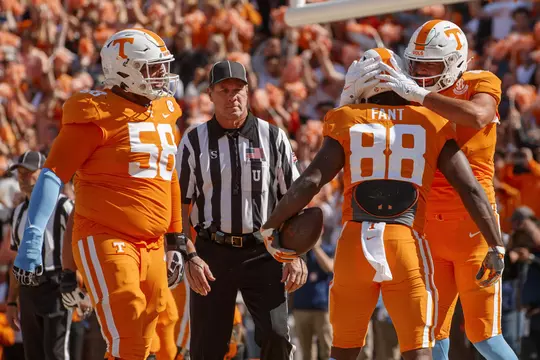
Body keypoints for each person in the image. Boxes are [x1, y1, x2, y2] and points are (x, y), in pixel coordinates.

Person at [259, 48, 505, 360]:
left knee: (343, 351)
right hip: (405, 242)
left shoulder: (346, 119)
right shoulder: (430, 121)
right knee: (418, 350)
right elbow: (470, 189)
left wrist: (271, 226)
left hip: (353, 245)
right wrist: (495, 244)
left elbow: (310, 182)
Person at [10, 28, 186, 360]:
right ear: (124, 70)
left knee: (163, 339)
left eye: (162, 66)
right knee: (129, 326)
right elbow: (51, 175)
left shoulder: (165, 110)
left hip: (152, 242)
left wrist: (176, 238)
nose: (161, 75)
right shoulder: (94, 111)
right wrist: (32, 237)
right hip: (105, 235)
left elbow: (168, 175)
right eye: (152, 67)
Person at [373, 20, 517, 360]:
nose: (420, 72)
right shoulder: (407, 91)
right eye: (416, 63)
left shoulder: (480, 82)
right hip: (426, 229)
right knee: (432, 333)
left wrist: (419, 96)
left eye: (430, 65)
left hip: (474, 224)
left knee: (484, 334)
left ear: (454, 62)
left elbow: (478, 116)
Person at [176, 59, 307, 360]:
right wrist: (190, 256)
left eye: (239, 89)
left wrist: (294, 253)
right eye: (224, 90)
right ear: (210, 93)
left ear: (248, 92)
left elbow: (294, 200)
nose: (232, 96)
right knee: (207, 348)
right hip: (212, 253)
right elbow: (179, 207)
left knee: (276, 337)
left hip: (263, 250)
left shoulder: (273, 137)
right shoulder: (193, 141)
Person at [5, 150, 74, 360]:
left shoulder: (63, 206)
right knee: (32, 354)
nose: (23, 178)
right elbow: (17, 260)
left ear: (44, 174)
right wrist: (12, 301)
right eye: (20, 174)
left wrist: (80, 285)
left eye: (29, 173)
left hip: (56, 286)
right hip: (28, 289)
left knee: (55, 352)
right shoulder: (17, 213)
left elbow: (77, 248)